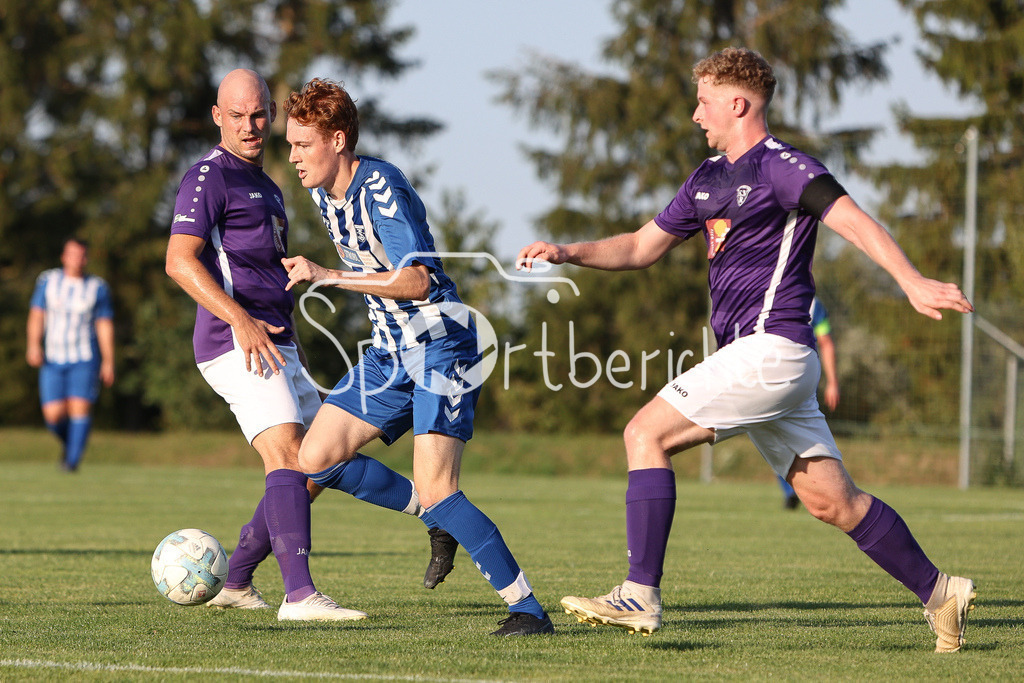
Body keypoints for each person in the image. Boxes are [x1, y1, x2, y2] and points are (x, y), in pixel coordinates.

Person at [517, 47, 975, 653]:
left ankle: (639, 593)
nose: (694, 113)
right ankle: (941, 591)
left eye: (704, 100)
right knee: (832, 502)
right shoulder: (706, 178)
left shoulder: (785, 167)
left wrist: (911, 279)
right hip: (764, 360)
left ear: (738, 102)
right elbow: (637, 247)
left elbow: (856, 221)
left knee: (644, 435)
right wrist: (567, 251)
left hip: (771, 350)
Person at [166, 69, 452, 622]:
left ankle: (239, 578)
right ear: (216, 116)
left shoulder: (270, 186)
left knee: (318, 465)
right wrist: (242, 322)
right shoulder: (207, 177)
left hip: (278, 341)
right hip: (234, 341)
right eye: (236, 116)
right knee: (289, 457)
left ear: (269, 113)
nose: (250, 127)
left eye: (258, 115)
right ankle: (299, 596)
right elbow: (180, 261)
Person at [280, 77, 553, 636]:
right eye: (290, 144)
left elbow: (418, 280)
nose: (293, 157)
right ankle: (436, 515)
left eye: (302, 144)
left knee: (441, 488)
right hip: (388, 354)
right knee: (314, 458)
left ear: (337, 140)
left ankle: (528, 610)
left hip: (439, 344)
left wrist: (330, 276)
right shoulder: (321, 194)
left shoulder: (381, 186)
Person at [26, 237, 115, 472]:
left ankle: (71, 463)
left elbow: (104, 325)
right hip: (52, 358)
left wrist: (108, 361)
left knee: (80, 409)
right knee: (53, 416)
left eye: (82, 254)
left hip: (84, 358)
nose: (77, 259)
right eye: (73, 254)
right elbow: (37, 314)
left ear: (86, 258)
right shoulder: (48, 281)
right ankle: (72, 444)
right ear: (64, 257)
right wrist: (33, 345)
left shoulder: (97, 287)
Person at [778, 296, 839, 508]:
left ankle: (795, 488)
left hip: (774, 378)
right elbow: (826, 341)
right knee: (805, 436)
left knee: (775, 435)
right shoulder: (815, 305)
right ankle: (813, 488)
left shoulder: (769, 294)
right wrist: (832, 382)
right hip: (805, 378)